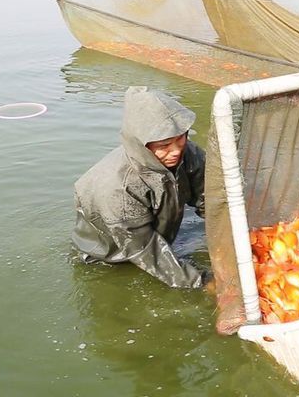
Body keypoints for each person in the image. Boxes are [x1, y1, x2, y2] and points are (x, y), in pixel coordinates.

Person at [71, 86, 206, 288]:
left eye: (181, 138)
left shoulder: (188, 153)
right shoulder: (117, 188)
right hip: (109, 258)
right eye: (164, 145)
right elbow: (144, 248)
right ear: (142, 144)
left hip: (156, 237)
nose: (176, 151)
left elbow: (212, 199)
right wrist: (201, 282)